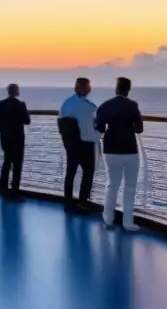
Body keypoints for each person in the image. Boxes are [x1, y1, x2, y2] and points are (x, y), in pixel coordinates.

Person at [95, 77, 144, 231]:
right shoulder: (132, 105)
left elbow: (101, 129)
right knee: (130, 187)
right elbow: (139, 129)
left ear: (116, 89)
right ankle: (127, 222)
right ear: (128, 89)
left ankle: (108, 219)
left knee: (112, 185)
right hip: (129, 150)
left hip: (110, 150)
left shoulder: (105, 106)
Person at [58, 77, 98, 212]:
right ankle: (83, 201)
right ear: (84, 88)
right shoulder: (86, 106)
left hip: (70, 144)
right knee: (88, 171)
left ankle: (68, 201)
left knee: (70, 172)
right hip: (84, 144)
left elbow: (61, 121)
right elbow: (90, 125)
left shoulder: (66, 103)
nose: (90, 88)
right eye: (88, 86)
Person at [0, 83, 31, 198]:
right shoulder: (20, 105)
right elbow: (27, 121)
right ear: (17, 92)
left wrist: (0, 129)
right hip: (18, 138)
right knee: (17, 165)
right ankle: (14, 190)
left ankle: (3, 188)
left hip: (5, 137)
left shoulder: (1, 104)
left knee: (6, 162)